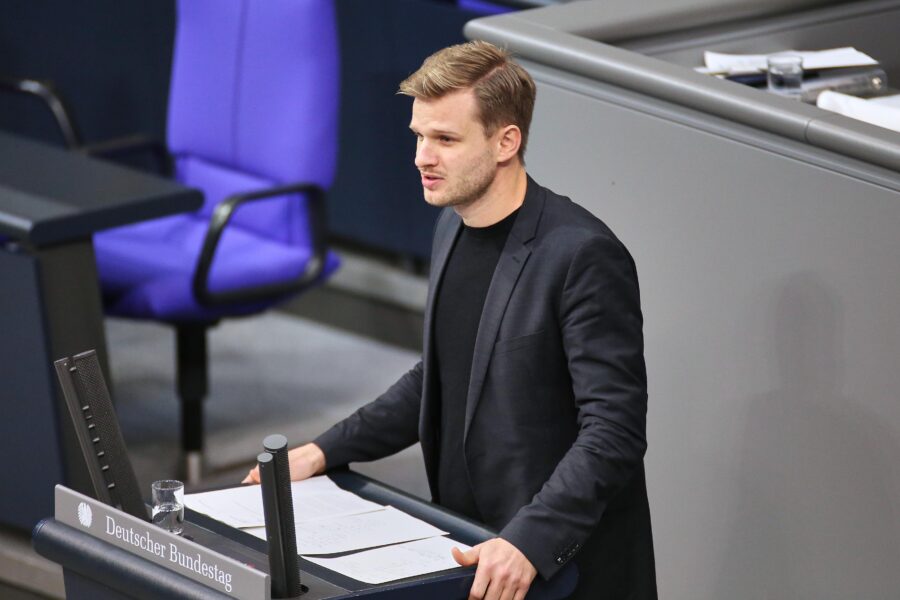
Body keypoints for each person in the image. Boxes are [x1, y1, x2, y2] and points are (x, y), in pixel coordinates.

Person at [245, 40, 656, 600]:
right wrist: (324, 450)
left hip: (559, 569)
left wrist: (529, 541)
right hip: (469, 549)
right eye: (419, 136)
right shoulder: (452, 225)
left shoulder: (582, 256)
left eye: (445, 139)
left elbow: (614, 432)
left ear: (506, 141)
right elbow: (438, 376)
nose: (422, 157)